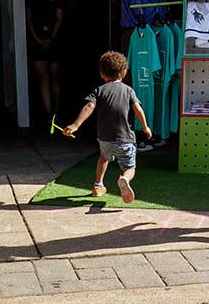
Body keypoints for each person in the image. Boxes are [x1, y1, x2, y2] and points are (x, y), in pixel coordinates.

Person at [54, 50, 152, 203]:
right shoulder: (128, 91)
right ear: (124, 72)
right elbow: (138, 109)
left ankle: (98, 185)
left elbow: (89, 107)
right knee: (129, 167)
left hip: (105, 139)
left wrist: (76, 124)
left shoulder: (99, 90)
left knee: (103, 158)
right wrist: (145, 127)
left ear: (102, 73)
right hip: (125, 138)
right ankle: (124, 179)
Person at [117, 0, 170, 148]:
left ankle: (149, 133)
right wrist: (152, 24)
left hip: (148, 33)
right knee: (138, 84)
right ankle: (135, 137)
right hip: (138, 35)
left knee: (150, 83)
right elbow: (141, 8)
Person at [28, 0, 66, 131]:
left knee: (55, 78)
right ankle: (48, 114)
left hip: (55, 39)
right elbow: (28, 19)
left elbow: (59, 17)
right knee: (42, 78)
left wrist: (51, 37)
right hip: (37, 41)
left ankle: (57, 112)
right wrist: (37, 39)